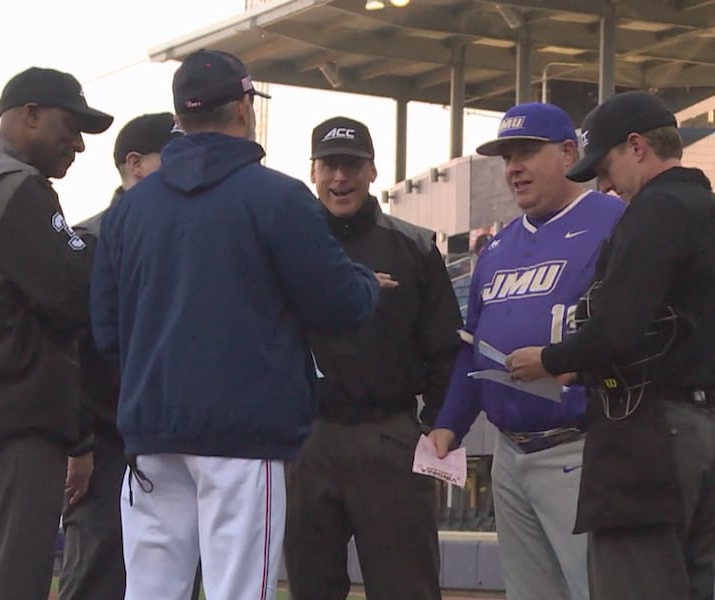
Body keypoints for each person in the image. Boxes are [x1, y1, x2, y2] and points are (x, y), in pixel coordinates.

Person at [89, 49, 381, 600]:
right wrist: (365, 281)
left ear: (178, 116)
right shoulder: (276, 196)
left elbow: (105, 330)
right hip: (243, 435)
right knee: (239, 592)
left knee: (151, 592)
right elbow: (340, 303)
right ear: (244, 108)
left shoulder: (130, 208)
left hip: (152, 432)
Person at [505, 91, 715, 600]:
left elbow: (617, 328)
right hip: (706, 432)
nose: (606, 184)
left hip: (650, 433)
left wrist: (552, 360)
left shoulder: (653, 210)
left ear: (636, 147)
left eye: (607, 165)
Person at [0, 66, 113, 600]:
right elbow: (69, 291)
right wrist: (110, 246)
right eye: (69, 125)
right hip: (8, 418)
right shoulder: (11, 187)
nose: (77, 143)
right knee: (9, 586)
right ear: (29, 115)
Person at [429, 102, 626, 600]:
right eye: (506, 157)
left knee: (596, 589)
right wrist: (449, 423)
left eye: (526, 153)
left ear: (567, 152)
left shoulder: (612, 218)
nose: (513, 167)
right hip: (509, 453)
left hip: (581, 445)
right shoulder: (496, 249)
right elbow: (472, 347)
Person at [282, 116, 461, 600]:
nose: (340, 178)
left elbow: (446, 348)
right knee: (310, 587)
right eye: (330, 165)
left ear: (373, 171)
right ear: (313, 171)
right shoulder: (285, 243)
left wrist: (441, 425)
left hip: (390, 435)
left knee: (406, 587)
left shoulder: (414, 246)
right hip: (306, 439)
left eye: (352, 165)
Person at [58, 112, 183, 600]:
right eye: (171, 157)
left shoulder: (187, 237)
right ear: (135, 165)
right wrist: (80, 443)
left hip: (175, 438)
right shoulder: (88, 240)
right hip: (108, 443)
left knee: (174, 578)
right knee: (98, 573)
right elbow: (70, 350)